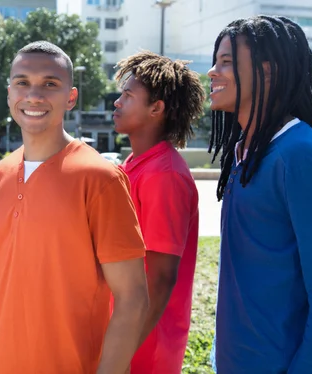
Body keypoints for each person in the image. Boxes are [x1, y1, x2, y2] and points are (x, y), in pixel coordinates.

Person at [0, 40, 149, 374]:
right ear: (8, 94)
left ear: (71, 97)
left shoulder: (101, 179)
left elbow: (133, 299)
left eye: (50, 84)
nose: (34, 95)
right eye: (22, 83)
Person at [207, 15, 312, 373]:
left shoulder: (299, 154)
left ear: (267, 71)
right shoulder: (243, 150)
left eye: (227, 62)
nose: (212, 72)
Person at [112, 50, 204, 373]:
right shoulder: (135, 165)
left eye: (127, 95)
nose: (117, 102)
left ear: (156, 108)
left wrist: (121, 352)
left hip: (146, 350)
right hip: (126, 337)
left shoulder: (164, 175)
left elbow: (161, 278)